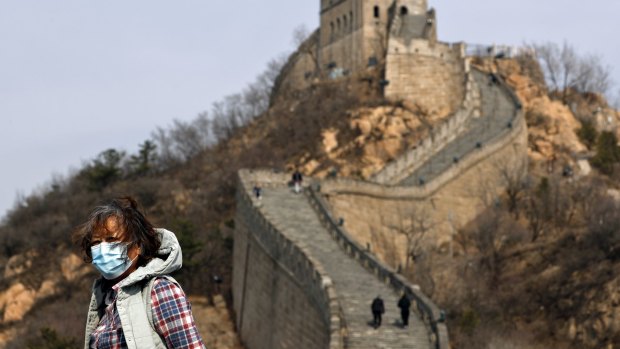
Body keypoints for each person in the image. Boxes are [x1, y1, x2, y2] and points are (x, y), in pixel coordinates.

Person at [75, 197, 206, 349]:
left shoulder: (159, 290)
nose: (103, 248)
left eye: (111, 239)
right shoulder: (105, 300)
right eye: (96, 243)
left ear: (137, 245)